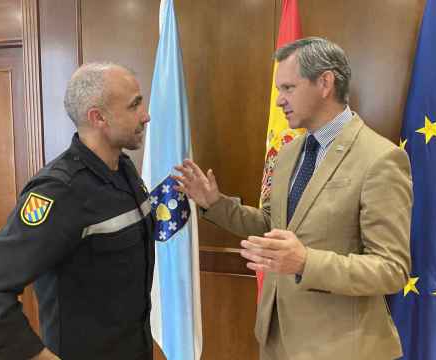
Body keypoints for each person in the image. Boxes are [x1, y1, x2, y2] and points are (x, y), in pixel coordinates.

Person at [174, 37, 413, 359]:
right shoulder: (288, 154)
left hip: (341, 348)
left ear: (325, 82)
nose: (278, 101)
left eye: (288, 88)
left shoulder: (381, 159)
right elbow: (273, 225)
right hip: (277, 339)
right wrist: (215, 204)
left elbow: (391, 269)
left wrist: (305, 262)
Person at [0, 63, 154, 360]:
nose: (146, 115)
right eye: (134, 106)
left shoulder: (124, 170)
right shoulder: (59, 191)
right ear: (98, 117)